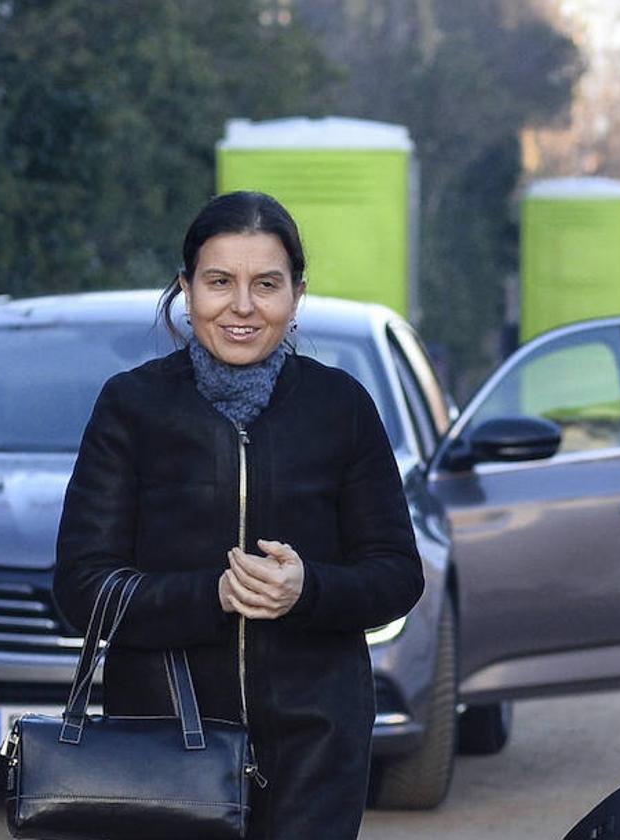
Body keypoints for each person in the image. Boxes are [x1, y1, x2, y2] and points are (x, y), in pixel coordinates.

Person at [53, 191, 424, 839]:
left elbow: (396, 574)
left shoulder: (341, 407)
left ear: (297, 295)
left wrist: (308, 589)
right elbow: (82, 587)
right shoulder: (132, 407)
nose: (243, 306)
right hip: (166, 746)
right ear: (187, 290)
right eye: (220, 282)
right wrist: (214, 594)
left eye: (267, 285)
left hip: (319, 744)